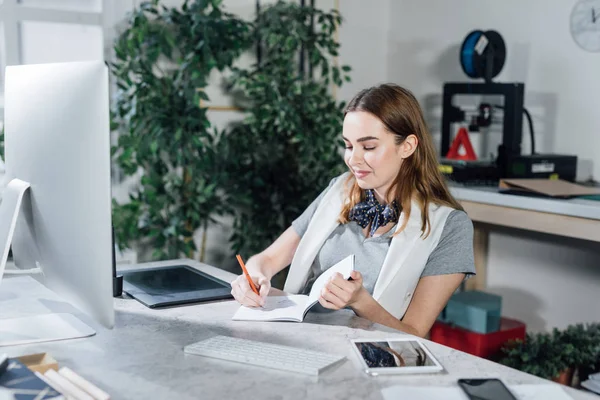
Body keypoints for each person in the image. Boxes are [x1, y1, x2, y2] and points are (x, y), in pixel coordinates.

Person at [230, 83, 475, 337]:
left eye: (368, 147)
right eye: (348, 146)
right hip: (300, 338)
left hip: (368, 361)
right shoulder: (339, 189)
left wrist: (360, 301)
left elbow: (413, 334)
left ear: (408, 146)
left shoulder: (450, 227)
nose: (353, 159)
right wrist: (254, 278)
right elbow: (268, 259)